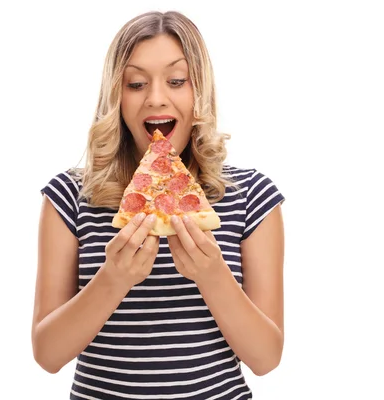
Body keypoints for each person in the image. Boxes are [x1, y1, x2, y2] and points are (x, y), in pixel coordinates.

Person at [32, 10, 286, 400]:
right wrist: (113, 278)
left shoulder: (251, 195)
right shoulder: (70, 196)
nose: (155, 97)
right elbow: (47, 355)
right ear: (116, 96)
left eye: (176, 81)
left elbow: (266, 359)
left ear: (199, 90)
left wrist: (212, 275)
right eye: (135, 83)